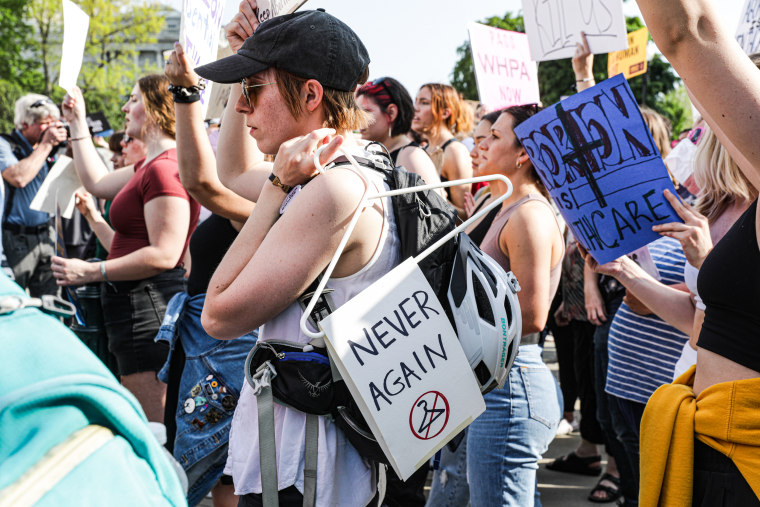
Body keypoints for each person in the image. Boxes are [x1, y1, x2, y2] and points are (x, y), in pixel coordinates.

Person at [196, 6, 398, 506]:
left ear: (310, 94)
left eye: (252, 89)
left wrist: (275, 186)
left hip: (306, 468)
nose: (241, 108)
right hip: (295, 455)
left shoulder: (333, 189)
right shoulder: (343, 169)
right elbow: (229, 169)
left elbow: (218, 314)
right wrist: (235, 57)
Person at [613, 2, 760, 503]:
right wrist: (631, 275)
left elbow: (689, 31)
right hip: (718, 444)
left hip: (743, 460)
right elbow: (711, 325)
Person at [50, 76, 200, 424]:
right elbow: (98, 183)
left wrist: (92, 271)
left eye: (132, 99)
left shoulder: (164, 169)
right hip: (134, 304)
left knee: (153, 427)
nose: (124, 108)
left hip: (145, 307)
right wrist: (76, 122)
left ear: (154, 109)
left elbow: (164, 253)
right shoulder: (149, 165)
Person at [160, 41, 258, 507]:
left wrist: (186, 94)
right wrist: (245, 56)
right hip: (206, 337)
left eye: (255, 98)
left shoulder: (278, 187)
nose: (245, 111)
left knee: (217, 471)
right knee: (222, 476)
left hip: (226, 344)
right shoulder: (265, 182)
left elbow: (204, 182)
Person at [464, 105, 564, 507]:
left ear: (523, 154)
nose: (484, 143)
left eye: (496, 137)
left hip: (511, 387)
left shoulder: (530, 216)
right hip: (499, 383)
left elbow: (533, 314)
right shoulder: (507, 206)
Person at [0, 94, 68, 297]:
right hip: (16, 236)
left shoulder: (49, 145)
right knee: (16, 299)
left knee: (51, 301)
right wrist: (47, 145)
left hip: (46, 234)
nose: (50, 129)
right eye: (44, 124)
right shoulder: (5, 144)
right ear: (23, 123)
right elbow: (18, 177)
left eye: (53, 123)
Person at [355, 76, 440, 187]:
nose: (359, 118)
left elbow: (434, 203)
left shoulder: (410, 156)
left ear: (391, 113)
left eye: (366, 111)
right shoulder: (384, 153)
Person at [412, 83, 473, 213]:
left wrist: (439, 200)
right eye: (416, 101)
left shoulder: (455, 151)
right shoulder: (424, 149)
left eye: (424, 102)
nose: (415, 108)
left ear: (445, 113)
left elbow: (466, 217)